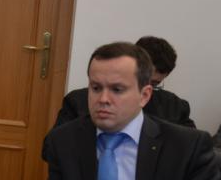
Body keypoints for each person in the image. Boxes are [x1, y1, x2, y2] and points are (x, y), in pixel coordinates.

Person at [41, 41, 221, 180]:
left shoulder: (187, 147)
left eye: (117, 89)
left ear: (144, 95)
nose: (103, 99)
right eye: (95, 88)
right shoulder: (63, 141)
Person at [52, 36, 194, 129]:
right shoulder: (77, 102)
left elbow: (193, 152)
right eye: (141, 80)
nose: (144, 89)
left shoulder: (175, 108)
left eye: (154, 84)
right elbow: (52, 148)